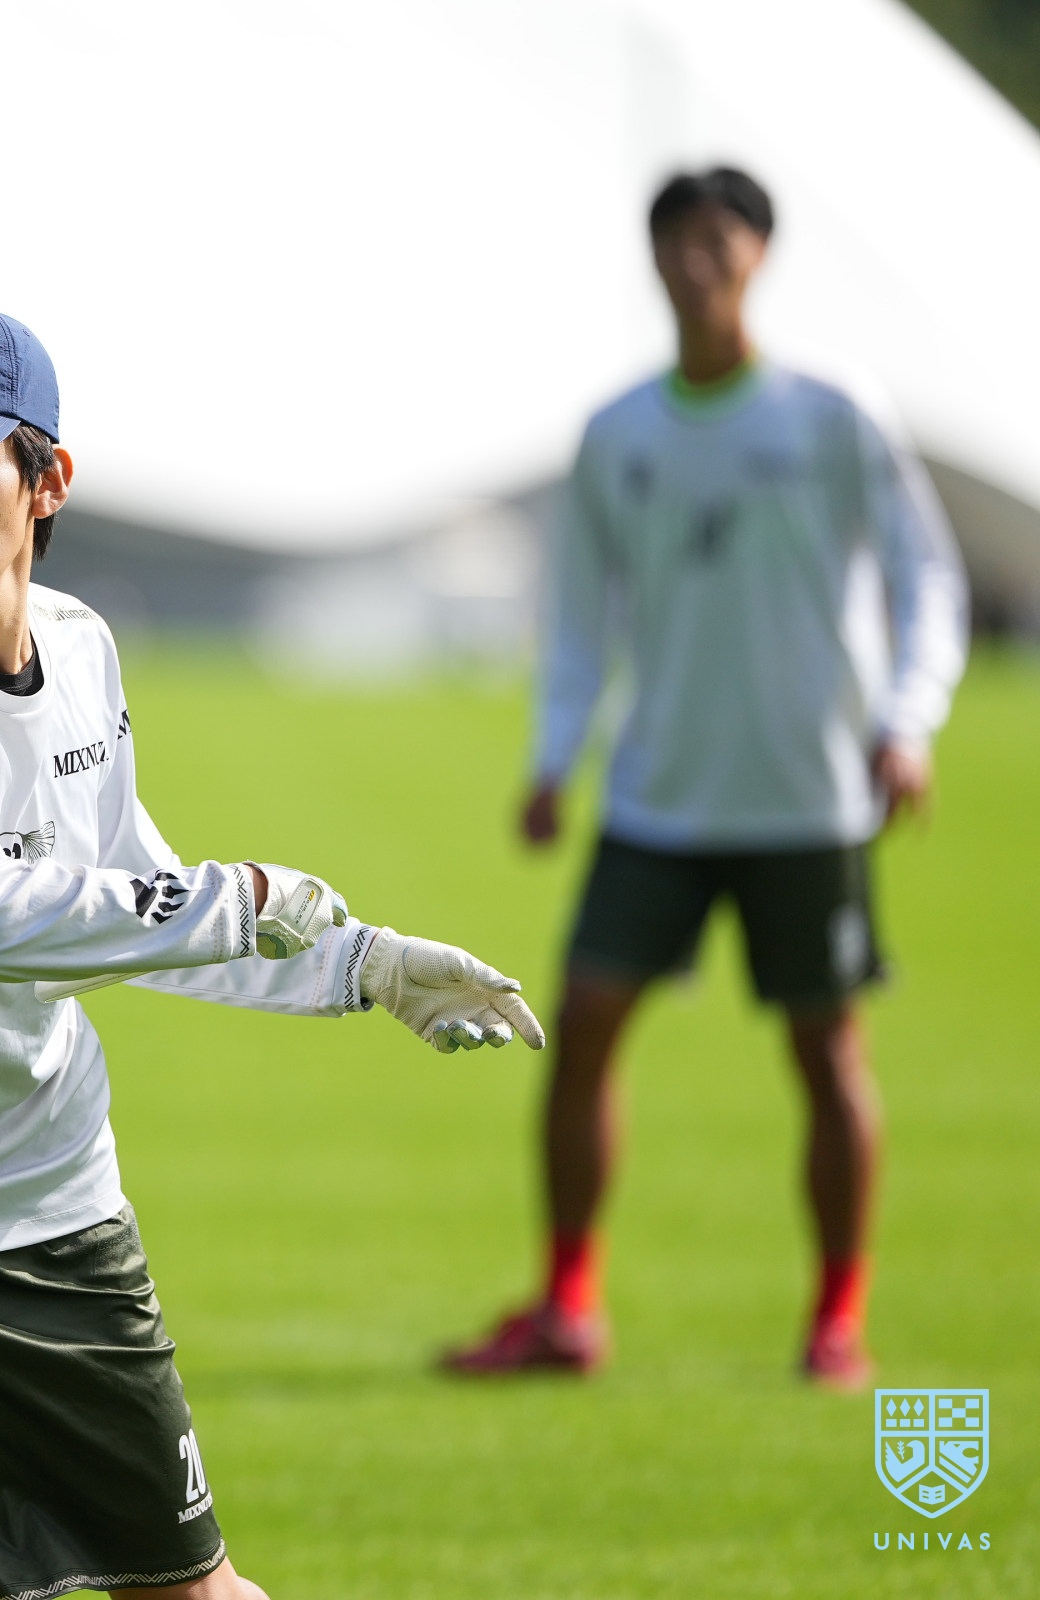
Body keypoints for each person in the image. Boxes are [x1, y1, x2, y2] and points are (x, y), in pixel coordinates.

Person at [0, 303, 545, 1600]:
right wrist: (242, 897)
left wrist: (359, 961)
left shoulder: (81, 649)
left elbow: (126, 893)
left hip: (41, 1196)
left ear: (47, 481)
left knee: (190, 1592)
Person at [442, 168, 967, 1390]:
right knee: (578, 1028)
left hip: (808, 798)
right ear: (654, 258)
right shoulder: (618, 431)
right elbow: (581, 618)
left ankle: (837, 1321)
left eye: (718, 239)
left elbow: (926, 572)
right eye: (676, 239)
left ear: (759, 255)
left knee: (827, 1056)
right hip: (658, 798)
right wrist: (554, 758)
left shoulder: (833, 412)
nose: (696, 261)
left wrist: (909, 721)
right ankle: (568, 1305)